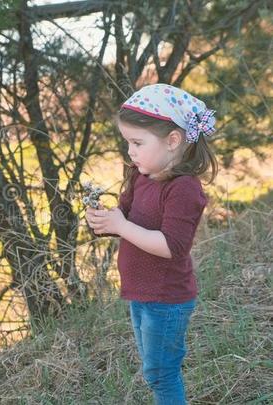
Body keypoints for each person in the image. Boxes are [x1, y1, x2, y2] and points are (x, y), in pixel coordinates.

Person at [86, 84, 218, 404]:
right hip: (141, 293)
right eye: (127, 142)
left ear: (173, 141)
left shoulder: (183, 188)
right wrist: (107, 223)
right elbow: (128, 220)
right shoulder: (140, 174)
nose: (130, 151)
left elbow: (172, 246)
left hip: (167, 299)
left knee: (162, 373)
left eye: (137, 143)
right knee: (154, 370)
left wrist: (123, 226)